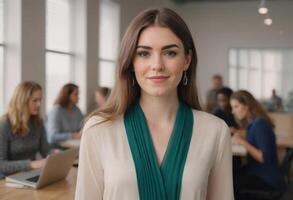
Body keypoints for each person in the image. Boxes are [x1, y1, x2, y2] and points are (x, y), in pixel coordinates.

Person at [76, 8, 234, 200]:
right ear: (130, 61)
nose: (157, 65)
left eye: (170, 53)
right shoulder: (98, 129)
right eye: (144, 54)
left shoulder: (215, 131)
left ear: (187, 60)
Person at [230, 90, 281, 198]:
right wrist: (240, 135)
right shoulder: (254, 123)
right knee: (229, 176)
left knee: (229, 183)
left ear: (247, 106)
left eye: (236, 107)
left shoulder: (259, 124)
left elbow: (263, 157)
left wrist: (242, 142)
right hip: (258, 172)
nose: (233, 111)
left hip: (265, 178)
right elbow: (255, 138)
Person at [0, 81, 49, 179]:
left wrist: (57, 155)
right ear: (22, 101)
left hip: (30, 176)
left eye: (40, 100)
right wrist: (31, 164)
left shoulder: (38, 122)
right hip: (7, 180)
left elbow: (46, 151)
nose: (39, 104)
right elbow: (1, 165)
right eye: (34, 100)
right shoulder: (4, 124)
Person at [46, 83, 83, 147]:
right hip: (57, 147)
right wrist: (72, 135)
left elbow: (81, 127)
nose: (78, 97)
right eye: (76, 94)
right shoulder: (56, 111)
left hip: (73, 145)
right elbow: (52, 136)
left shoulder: (77, 110)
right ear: (68, 95)